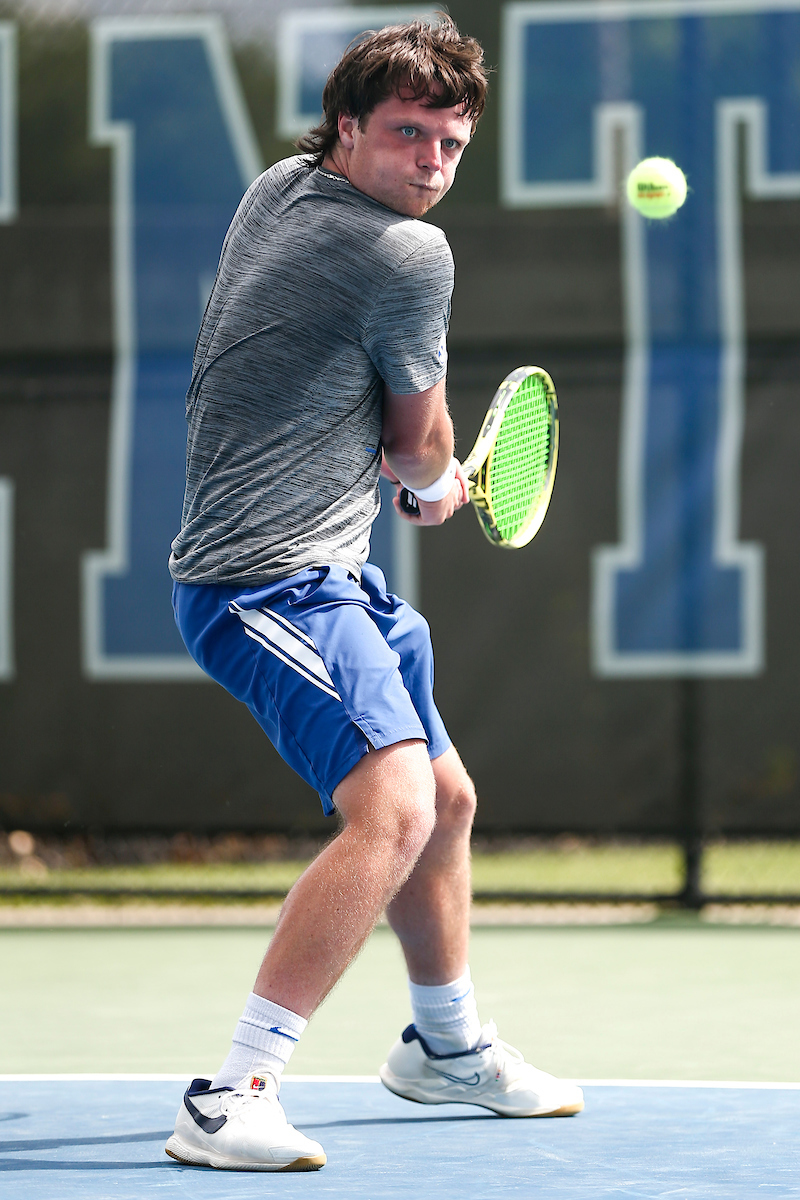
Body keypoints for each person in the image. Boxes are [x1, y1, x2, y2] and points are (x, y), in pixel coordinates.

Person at [165, 15, 583, 1173]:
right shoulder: (410, 255)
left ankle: (443, 1048)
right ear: (347, 128)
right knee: (392, 811)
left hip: (333, 577)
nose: (430, 167)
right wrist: (438, 483)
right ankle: (230, 1094)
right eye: (406, 135)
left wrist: (409, 477)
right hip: (265, 586)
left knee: (444, 802)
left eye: (450, 144)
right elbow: (415, 444)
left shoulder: (279, 187)